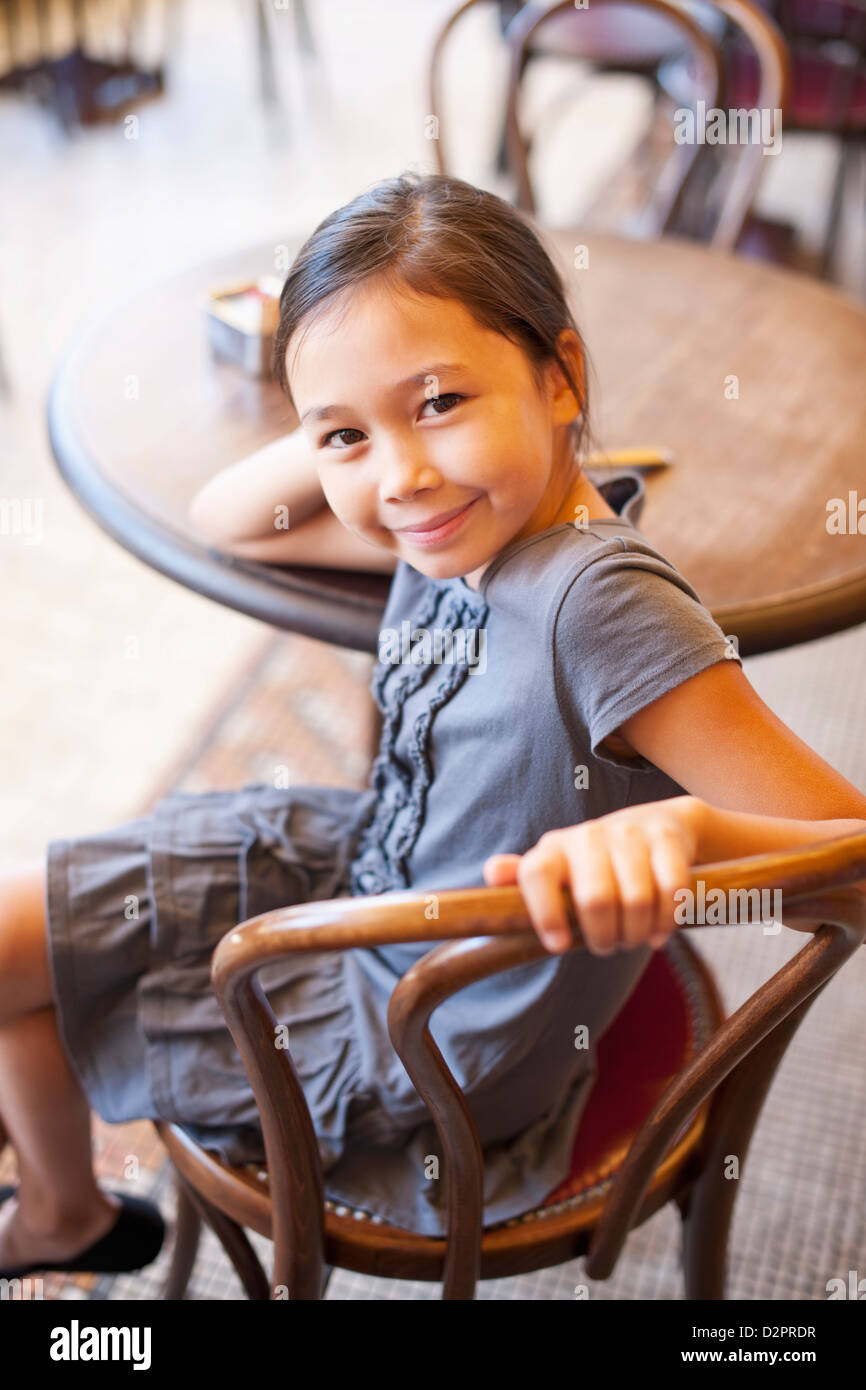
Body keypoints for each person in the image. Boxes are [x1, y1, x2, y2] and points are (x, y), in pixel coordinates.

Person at [2, 172, 865, 1278]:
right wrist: (351, 401)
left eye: (441, 402)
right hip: (372, 871)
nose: (401, 477)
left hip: (429, 1019)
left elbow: (848, 855)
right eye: (343, 439)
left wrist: (688, 836)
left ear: (563, 378)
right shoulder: (462, 522)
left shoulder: (594, 605)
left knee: (34, 981)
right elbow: (234, 522)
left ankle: (54, 1213)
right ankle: (62, 1215)